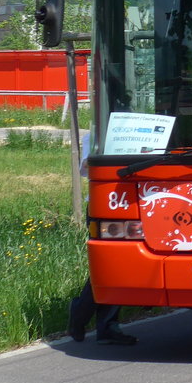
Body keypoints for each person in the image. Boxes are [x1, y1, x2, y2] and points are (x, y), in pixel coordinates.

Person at [67, 132, 136, 345]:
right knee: (109, 267)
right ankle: (80, 315)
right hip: (106, 201)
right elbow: (84, 169)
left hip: (132, 198)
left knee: (122, 266)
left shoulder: (134, 132)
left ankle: (107, 326)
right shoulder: (95, 135)